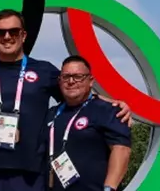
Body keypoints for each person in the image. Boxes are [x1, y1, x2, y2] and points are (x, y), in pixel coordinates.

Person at [0, 9, 131, 191]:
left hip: (33, 173)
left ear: (23, 35)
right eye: (0, 32)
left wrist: (113, 104)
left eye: (13, 31)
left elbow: (77, 92)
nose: (7, 37)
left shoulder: (44, 70)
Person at [40, 56, 130, 191]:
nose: (71, 81)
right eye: (66, 77)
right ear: (59, 81)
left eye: (78, 76)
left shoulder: (107, 110)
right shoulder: (51, 114)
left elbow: (121, 150)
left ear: (90, 81)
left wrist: (109, 188)